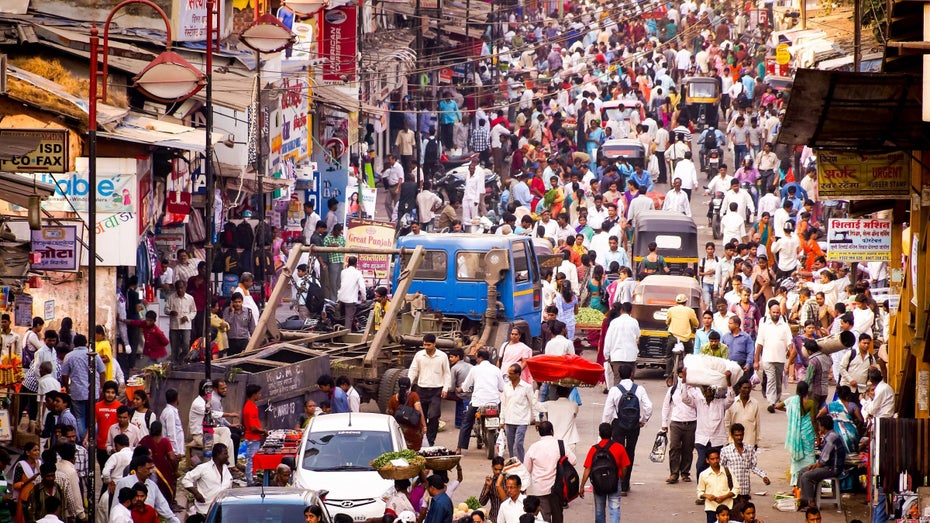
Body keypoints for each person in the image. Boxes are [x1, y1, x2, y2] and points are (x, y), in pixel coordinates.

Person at [601, 363, 652, 495]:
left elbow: (608, 411)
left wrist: (605, 426)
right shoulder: (639, 389)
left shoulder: (614, 390)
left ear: (619, 375)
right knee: (630, 452)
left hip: (618, 425)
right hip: (634, 425)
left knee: (617, 453)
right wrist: (643, 420)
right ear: (631, 374)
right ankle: (625, 484)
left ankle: (617, 481)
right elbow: (649, 407)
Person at [578, 422, 631, 523]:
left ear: (599, 434)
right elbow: (625, 467)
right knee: (615, 509)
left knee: (599, 511)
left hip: (598, 483)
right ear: (612, 433)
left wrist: (582, 486)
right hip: (614, 481)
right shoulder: (619, 447)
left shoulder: (594, 449)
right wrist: (621, 478)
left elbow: (587, 469)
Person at [524, 421, 575, 523]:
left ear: (539, 432)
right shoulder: (561, 444)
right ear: (552, 431)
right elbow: (573, 460)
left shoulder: (534, 447)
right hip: (557, 489)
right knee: (558, 517)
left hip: (540, 489)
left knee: (544, 518)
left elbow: (526, 469)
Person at [407, 334, 451, 446]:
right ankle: (420, 439)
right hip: (421, 390)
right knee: (420, 416)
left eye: (428, 345)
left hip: (436, 391)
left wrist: (445, 388)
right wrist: (408, 386)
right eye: (424, 344)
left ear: (434, 344)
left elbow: (447, 373)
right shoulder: (419, 355)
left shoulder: (442, 356)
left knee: (434, 416)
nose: (426, 347)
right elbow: (413, 371)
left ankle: (431, 441)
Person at [457, 350, 504, 454]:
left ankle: (459, 448)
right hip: (494, 402)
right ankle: (502, 442)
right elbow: (501, 387)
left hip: (478, 402)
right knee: (503, 421)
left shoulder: (475, 369)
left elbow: (465, 386)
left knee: (466, 422)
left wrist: (461, 389)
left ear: (479, 358)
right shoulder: (496, 369)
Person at [60, 333, 106, 440]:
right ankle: (91, 440)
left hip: (77, 392)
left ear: (74, 344)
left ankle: (82, 441)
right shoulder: (93, 354)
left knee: (80, 418)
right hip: (93, 391)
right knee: (93, 418)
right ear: (86, 343)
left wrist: (67, 387)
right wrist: (101, 388)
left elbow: (65, 375)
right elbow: (102, 371)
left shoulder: (69, 356)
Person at [797, 416, 847, 509]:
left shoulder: (830, 438)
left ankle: (810, 502)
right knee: (802, 471)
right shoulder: (831, 435)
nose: (819, 428)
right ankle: (802, 497)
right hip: (828, 466)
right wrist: (814, 465)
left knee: (806, 476)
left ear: (823, 427)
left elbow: (824, 460)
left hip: (832, 468)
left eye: (819, 426)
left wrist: (815, 466)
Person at [720, 423, 769, 514]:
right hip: (732, 490)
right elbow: (721, 469)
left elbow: (753, 466)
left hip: (745, 489)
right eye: (736, 435)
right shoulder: (725, 451)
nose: (739, 437)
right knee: (733, 514)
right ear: (732, 435)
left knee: (745, 514)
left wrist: (763, 476)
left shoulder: (749, 449)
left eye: (741, 435)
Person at [773, 381, 816, 485]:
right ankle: (809, 478)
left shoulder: (792, 401)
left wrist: (789, 411)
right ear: (807, 390)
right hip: (808, 433)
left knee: (796, 458)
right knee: (809, 455)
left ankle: (796, 481)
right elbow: (813, 420)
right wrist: (818, 436)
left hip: (795, 433)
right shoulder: (810, 403)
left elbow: (777, 406)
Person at [661, 366, 697, 484]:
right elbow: (666, 406)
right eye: (681, 374)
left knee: (688, 449)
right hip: (676, 423)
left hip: (691, 422)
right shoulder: (673, 390)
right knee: (674, 448)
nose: (683, 377)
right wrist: (664, 423)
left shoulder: (695, 390)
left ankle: (685, 473)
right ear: (678, 374)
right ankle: (674, 473)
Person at [754, 302, 792, 411]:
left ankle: (776, 400)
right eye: (773, 312)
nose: (775, 314)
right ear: (770, 312)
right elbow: (759, 343)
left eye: (777, 312)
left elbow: (789, 342)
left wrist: (791, 357)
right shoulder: (764, 325)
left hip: (780, 359)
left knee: (778, 381)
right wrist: (756, 360)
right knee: (771, 380)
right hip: (767, 358)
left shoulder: (784, 325)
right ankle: (771, 402)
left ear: (780, 313)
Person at [182, 444, 233, 521]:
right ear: (217, 455)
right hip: (205, 510)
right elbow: (186, 479)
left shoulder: (226, 469)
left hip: (223, 510)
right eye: (225, 453)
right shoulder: (203, 468)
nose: (227, 456)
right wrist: (196, 493)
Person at [501, 363, 538, 463]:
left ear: (518, 374)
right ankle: (513, 463)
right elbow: (503, 404)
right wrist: (502, 420)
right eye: (508, 373)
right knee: (510, 445)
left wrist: (537, 419)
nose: (509, 375)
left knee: (518, 443)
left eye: (511, 373)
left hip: (522, 420)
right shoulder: (506, 387)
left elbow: (533, 403)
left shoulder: (527, 387)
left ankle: (521, 464)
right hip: (509, 420)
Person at [139, 421, 179, 507]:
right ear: (161, 430)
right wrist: (175, 471)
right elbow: (172, 457)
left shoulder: (145, 440)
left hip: (147, 471)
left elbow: (137, 451)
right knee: (165, 491)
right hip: (164, 472)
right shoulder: (165, 441)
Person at [696, 449, 738, 523]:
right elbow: (699, 492)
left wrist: (724, 497)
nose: (715, 461)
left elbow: (736, 488)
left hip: (727, 507)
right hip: (711, 508)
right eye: (712, 459)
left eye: (717, 458)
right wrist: (707, 496)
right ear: (707, 460)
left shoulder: (728, 471)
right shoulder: (704, 475)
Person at [603, 302, 640, 385]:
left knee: (617, 379)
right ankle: (629, 396)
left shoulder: (614, 322)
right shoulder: (634, 322)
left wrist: (606, 355)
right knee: (630, 380)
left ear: (621, 310)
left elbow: (608, 340)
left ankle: (617, 396)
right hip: (631, 356)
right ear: (631, 311)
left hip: (617, 356)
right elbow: (638, 336)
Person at [816, 385, 861, 453]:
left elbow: (818, 416)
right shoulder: (852, 405)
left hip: (834, 434)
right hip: (851, 435)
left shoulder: (830, 405)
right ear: (848, 395)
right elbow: (861, 420)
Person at [665, 293, 699, 384]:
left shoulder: (671, 310)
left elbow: (667, 321)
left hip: (673, 337)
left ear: (676, 302)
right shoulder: (690, 310)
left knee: (668, 356)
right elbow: (696, 323)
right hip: (686, 338)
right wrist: (694, 326)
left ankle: (669, 376)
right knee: (689, 355)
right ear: (685, 302)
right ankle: (688, 375)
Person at [387, 377, 427, 451]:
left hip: (400, 432)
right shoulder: (414, 396)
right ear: (409, 386)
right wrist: (424, 426)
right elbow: (419, 411)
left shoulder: (393, 399)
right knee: (415, 456)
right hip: (414, 432)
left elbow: (389, 415)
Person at [164, 280, 196, 363]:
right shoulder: (171, 298)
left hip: (186, 326)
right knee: (175, 347)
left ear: (185, 288)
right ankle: (175, 364)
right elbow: (166, 309)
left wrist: (188, 317)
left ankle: (182, 360)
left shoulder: (190, 298)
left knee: (186, 345)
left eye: (181, 288)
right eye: (178, 288)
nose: (180, 290)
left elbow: (193, 311)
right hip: (174, 326)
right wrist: (170, 312)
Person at [725, 379, 762, 449]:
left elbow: (757, 423)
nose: (747, 390)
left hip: (750, 441)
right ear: (739, 389)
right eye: (744, 388)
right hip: (734, 442)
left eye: (749, 388)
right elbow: (727, 422)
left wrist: (756, 441)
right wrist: (727, 439)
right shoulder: (732, 403)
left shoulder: (755, 403)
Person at [242, 384, 267, 486]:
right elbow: (253, 428)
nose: (260, 395)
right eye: (258, 393)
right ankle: (250, 481)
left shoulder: (249, 406)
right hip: (252, 438)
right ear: (254, 394)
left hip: (252, 438)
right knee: (251, 460)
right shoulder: (250, 407)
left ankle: (250, 478)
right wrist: (263, 431)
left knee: (251, 459)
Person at [95, 380, 123, 469]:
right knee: (104, 472)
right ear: (103, 392)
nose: (110, 395)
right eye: (107, 392)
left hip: (116, 447)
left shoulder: (120, 407)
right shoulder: (97, 406)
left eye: (112, 392)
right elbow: (92, 424)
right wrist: (86, 438)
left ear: (116, 394)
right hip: (101, 446)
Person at [337, 256, 366, 332]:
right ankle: (347, 335)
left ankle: (339, 331)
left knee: (341, 317)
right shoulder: (357, 273)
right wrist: (364, 298)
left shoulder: (343, 271)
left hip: (341, 297)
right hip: (350, 299)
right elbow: (362, 287)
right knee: (348, 319)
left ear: (348, 263)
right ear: (356, 264)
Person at [159, 389, 185, 457]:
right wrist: (175, 452)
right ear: (176, 398)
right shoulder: (170, 412)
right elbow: (171, 434)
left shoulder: (171, 411)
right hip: (172, 452)